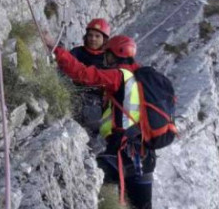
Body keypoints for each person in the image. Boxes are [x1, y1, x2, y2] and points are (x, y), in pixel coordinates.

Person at [44, 34, 154, 209]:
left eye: (107, 54)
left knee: (84, 178)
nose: (104, 57)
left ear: (115, 54)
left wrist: (56, 49)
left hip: (123, 154)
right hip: (145, 156)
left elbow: (82, 74)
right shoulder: (141, 77)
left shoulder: (119, 76)